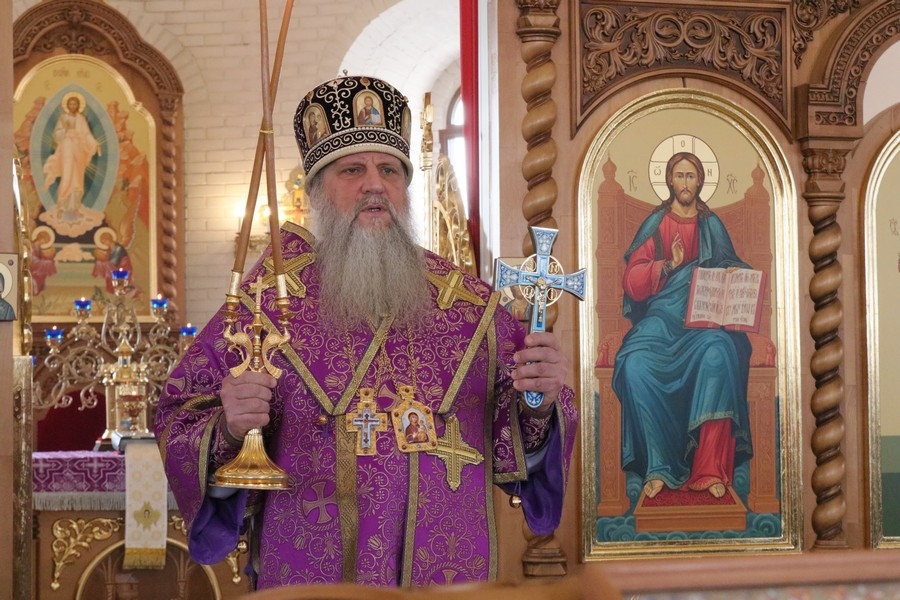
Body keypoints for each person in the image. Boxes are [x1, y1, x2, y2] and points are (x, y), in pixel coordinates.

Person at [155, 75, 578, 589]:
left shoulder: (470, 307)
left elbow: (524, 440)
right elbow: (178, 416)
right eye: (352, 169)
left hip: (447, 578)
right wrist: (227, 426)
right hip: (311, 579)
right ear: (316, 190)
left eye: (390, 170)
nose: (374, 184)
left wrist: (541, 400)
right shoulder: (264, 304)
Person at [611, 151, 753, 501]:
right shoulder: (656, 223)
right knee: (635, 363)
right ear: (670, 181)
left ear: (700, 181)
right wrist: (667, 266)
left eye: (691, 176)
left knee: (720, 354)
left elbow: (734, 264)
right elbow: (632, 281)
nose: (686, 183)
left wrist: (734, 272)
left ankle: (710, 469)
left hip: (703, 320)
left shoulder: (712, 225)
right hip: (662, 319)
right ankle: (658, 466)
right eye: (680, 176)